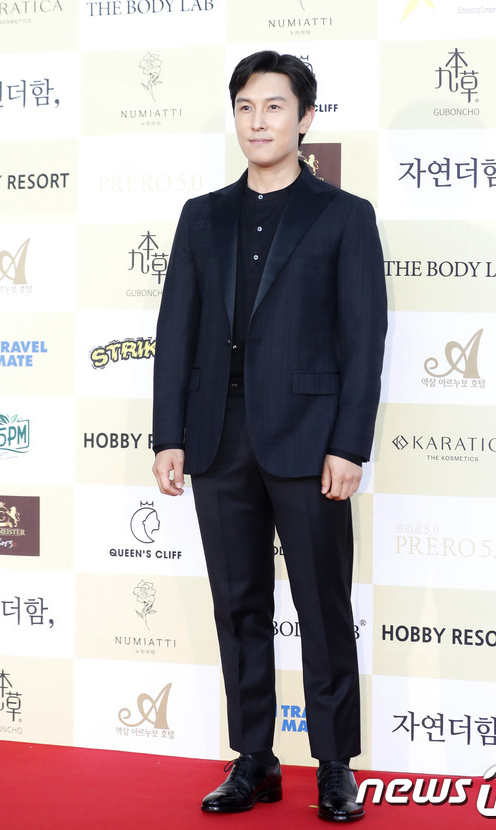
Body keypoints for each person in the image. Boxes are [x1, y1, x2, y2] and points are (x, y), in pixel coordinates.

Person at [152, 50, 387, 822]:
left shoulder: (344, 215)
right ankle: (254, 758)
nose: (259, 121)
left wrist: (349, 445)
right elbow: (176, 333)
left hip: (311, 443)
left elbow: (364, 338)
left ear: (306, 118)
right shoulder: (202, 216)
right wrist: (168, 434)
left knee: (322, 607)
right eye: (246, 107)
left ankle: (334, 765)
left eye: (275, 106)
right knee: (238, 605)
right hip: (217, 442)